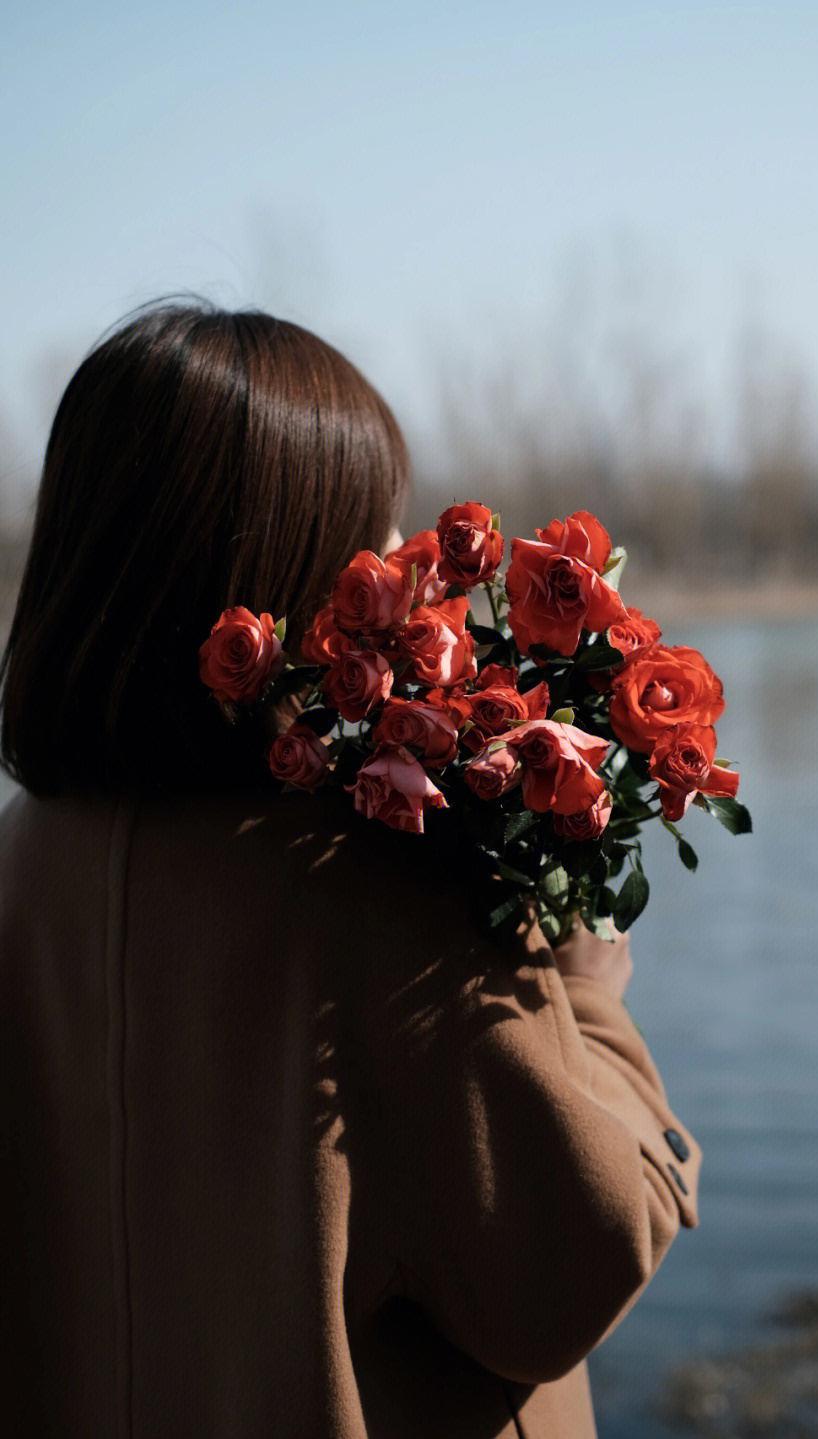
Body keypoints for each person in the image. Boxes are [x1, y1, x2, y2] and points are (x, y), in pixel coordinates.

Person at [0, 303, 701, 1438]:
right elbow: (567, 1267)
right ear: (286, 578)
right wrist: (583, 992)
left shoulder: (18, 866)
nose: (395, 580)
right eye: (365, 543)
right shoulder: (374, 890)